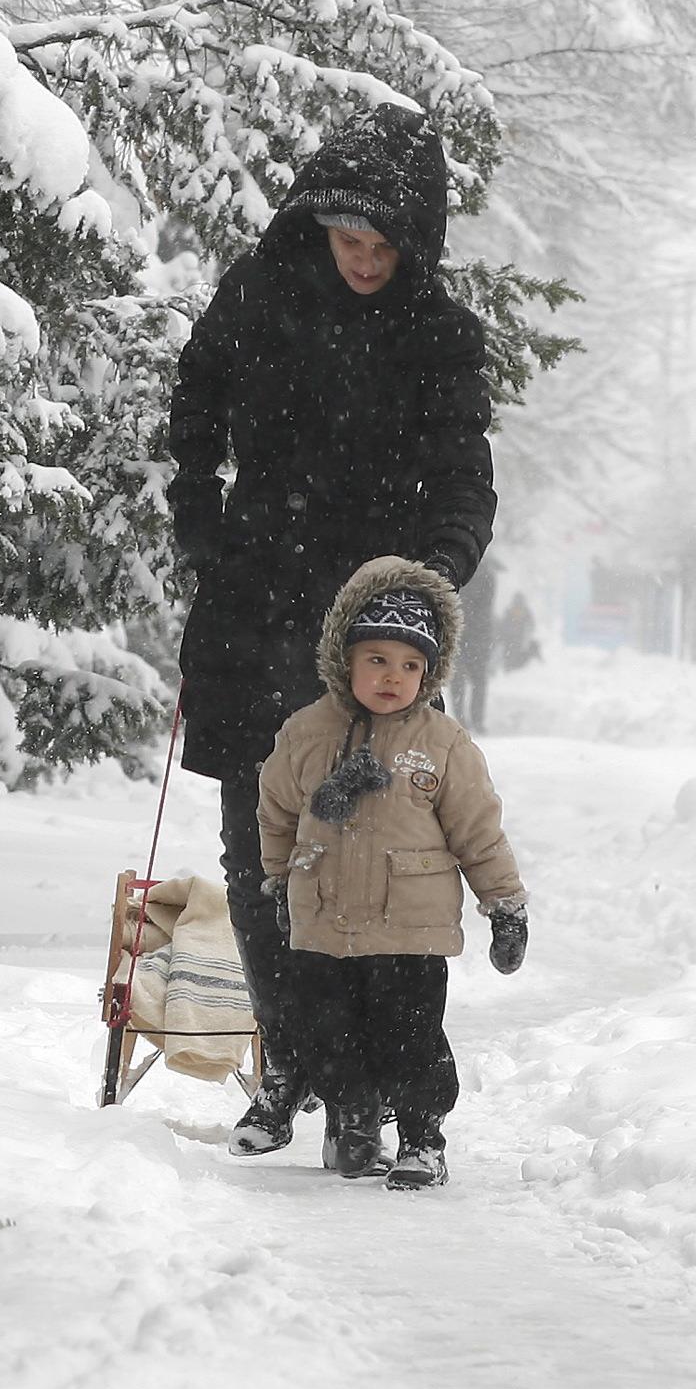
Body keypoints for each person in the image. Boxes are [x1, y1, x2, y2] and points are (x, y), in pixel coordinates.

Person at [165, 106, 497, 1157]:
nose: (361, 260)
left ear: (416, 244)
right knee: (262, 849)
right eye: (346, 239)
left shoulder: (437, 335)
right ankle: (295, 1061)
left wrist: (431, 581)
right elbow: (197, 398)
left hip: (375, 627)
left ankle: (364, 1081)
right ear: (317, 225)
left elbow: (462, 481)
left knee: (369, 852)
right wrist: (199, 513)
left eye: (382, 245)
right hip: (254, 597)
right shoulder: (259, 293)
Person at [254, 559, 527, 1189]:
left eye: (410, 665)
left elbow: (478, 832)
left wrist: (505, 905)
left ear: (430, 673)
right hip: (323, 920)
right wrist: (276, 881)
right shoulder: (305, 732)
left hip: (410, 928)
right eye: (376, 658)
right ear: (342, 657)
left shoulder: (444, 743)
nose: (392, 677)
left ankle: (421, 1137)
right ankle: (354, 1117)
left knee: (411, 1039)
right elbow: (275, 812)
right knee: (327, 1033)